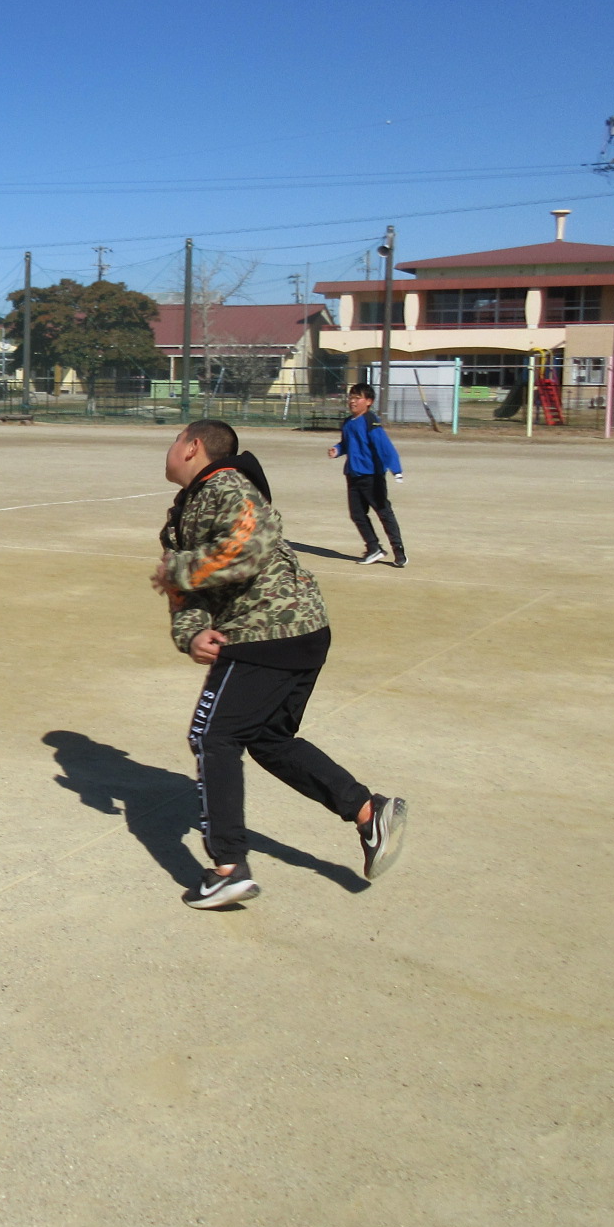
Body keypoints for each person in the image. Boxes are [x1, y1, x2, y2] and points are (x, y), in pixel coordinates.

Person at [153, 418, 407, 909]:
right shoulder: (183, 511)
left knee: (213, 737)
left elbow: (250, 546)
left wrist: (178, 568)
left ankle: (228, 867)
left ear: (192, 447)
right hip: (292, 632)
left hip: (268, 629)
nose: (168, 448)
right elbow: (186, 590)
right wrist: (190, 633)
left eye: (174, 439)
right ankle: (368, 812)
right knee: (268, 740)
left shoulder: (227, 485)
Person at [327, 381, 405, 566]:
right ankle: (374, 548)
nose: (352, 401)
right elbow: (347, 444)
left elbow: (385, 447)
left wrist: (396, 470)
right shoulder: (348, 422)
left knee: (383, 512)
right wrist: (338, 450)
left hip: (372, 476)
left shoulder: (371, 422)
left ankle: (399, 551)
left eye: (357, 398)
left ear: (369, 401)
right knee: (357, 514)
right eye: (351, 397)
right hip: (353, 475)